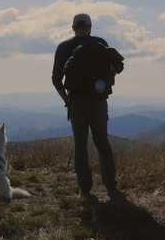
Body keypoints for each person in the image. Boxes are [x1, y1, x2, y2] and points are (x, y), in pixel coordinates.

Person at [52, 13, 124, 202]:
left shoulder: (64, 47)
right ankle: (111, 187)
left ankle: (85, 190)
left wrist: (67, 100)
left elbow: (56, 79)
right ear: (90, 27)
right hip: (99, 102)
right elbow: (113, 69)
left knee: (81, 146)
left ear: (73, 27)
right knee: (102, 144)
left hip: (76, 102)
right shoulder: (100, 42)